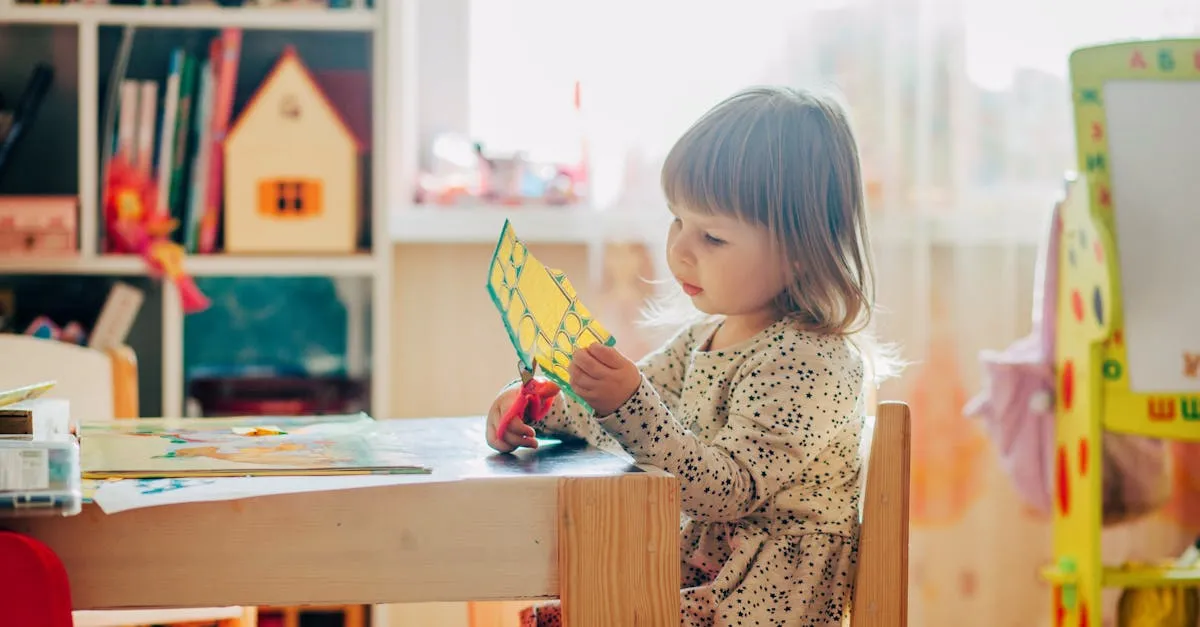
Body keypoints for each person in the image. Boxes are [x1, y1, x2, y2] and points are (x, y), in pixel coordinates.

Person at [487, 85, 901, 626]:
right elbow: (627, 416)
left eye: (713, 237)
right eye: (677, 220)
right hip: (707, 576)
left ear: (801, 251)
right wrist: (542, 408)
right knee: (559, 610)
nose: (680, 248)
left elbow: (726, 491)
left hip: (760, 600)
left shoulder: (812, 361)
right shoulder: (705, 337)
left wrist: (628, 402)